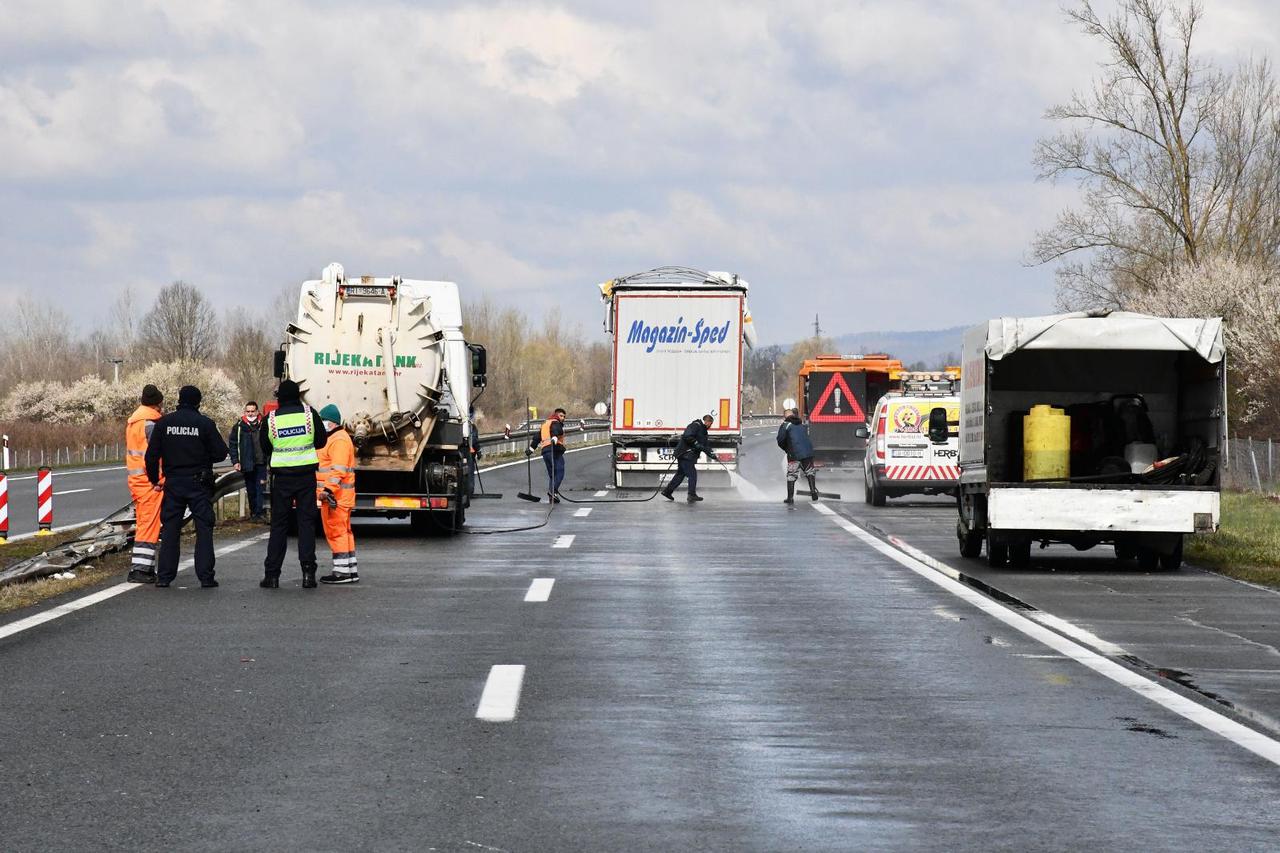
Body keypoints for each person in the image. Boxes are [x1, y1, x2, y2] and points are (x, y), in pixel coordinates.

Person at [144, 385, 228, 588]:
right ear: (198, 402)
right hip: (199, 483)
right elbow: (220, 453)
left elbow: (151, 456)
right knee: (204, 529)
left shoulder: (165, 423)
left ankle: (164, 577)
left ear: (179, 400)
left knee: (171, 529)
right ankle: (206, 577)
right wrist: (203, 454)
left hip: (173, 483)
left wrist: (155, 480)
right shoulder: (205, 423)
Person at [260, 380, 327, 589]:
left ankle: (272, 576)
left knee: (279, 526)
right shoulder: (309, 414)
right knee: (306, 524)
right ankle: (308, 574)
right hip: (306, 476)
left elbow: (264, 446)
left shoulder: (270, 419)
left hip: (282, 479)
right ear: (298, 395)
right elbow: (321, 441)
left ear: (280, 397)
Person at [125, 384, 165, 584]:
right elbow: (156, 455)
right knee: (149, 526)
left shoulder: (134, 422)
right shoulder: (150, 424)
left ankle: (143, 568)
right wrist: (159, 479)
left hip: (137, 480)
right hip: (150, 482)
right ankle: (141, 570)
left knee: (144, 523)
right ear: (158, 403)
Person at [315, 404, 358, 584]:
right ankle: (350, 569)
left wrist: (327, 491)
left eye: (322, 421)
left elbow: (337, 470)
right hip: (340, 496)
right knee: (344, 532)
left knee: (336, 532)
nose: (321, 424)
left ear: (330, 422)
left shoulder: (338, 440)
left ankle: (341, 572)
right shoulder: (337, 438)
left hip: (335, 497)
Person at [661, 414, 716, 502]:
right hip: (685, 454)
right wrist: (695, 443)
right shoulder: (695, 426)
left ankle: (667, 491)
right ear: (707, 422)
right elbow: (687, 436)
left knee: (681, 474)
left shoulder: (703, 431)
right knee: (692, 474)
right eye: (711, 424)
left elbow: (705, 445)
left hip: (688, 455)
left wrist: (711, 454)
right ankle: (691, 495)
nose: (710, 426)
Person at [228, 400, 268, 521]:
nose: (250, 414)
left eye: (252, 411)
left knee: (260, 488)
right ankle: (253, 513)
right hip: (247, 463)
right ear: (245, 412)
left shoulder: (264, 424)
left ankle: (261, 513)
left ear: (257, 411)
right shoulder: (239, 426)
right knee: (251, 490)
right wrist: (235, 461)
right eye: (248, 411)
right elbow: (233, 444)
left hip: (261, 462)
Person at [777, 408, 819, 503]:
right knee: (810, 472)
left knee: (791, 475)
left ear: (785, 417)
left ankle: (790, 498)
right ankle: (813, 491)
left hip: (794, 454)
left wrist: (787, 449)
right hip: (808, 453)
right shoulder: (801, 424)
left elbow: (780, 440)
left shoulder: (785, 425)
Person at [532, 408, 567, 503]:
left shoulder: (544, 424)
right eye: (561, 415)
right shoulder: (556, 422)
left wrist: (531, 448)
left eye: (564, 416)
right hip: (554, 450)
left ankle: (552, 497)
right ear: (556, 415)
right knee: (560, 471)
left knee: (552, 475)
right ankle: (553, 491)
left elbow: (537, 437)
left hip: (545, 452)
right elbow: (555, 429)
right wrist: (555, 436)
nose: (563, 418)